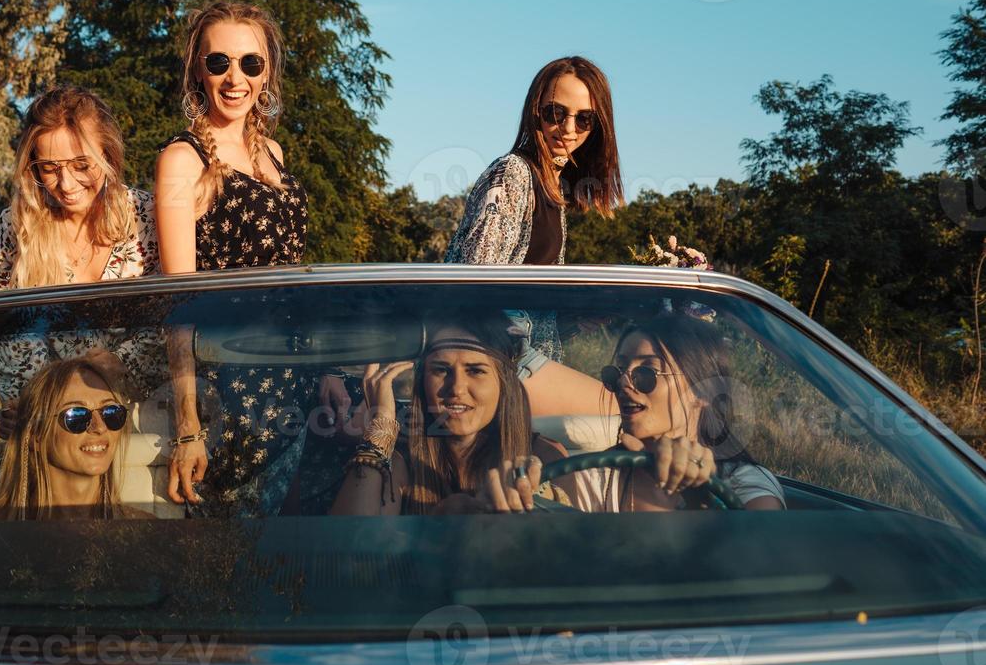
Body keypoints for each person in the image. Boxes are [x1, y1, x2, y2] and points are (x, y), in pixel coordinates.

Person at [153, 0, 312, 516]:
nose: (235, 77)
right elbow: (178, 303)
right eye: (218, 62)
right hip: (238, 389)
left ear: (267, 72)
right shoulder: (183, 160)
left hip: (300, 372)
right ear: (198, 70)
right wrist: (186, 426)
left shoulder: (274, 152)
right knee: (236, 553)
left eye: (250, 62)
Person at [330, 318, 716, 516]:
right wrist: (381, 425)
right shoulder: (399, 461)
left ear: (505, 384)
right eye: (440, 370)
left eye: (476, 371)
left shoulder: (544, 455)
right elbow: (348, 555)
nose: (455, 389)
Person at [444, 56, 624, 426]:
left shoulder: (552, 187)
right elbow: (473, 288)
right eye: (556, 113)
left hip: (522, 359)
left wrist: (575, 317)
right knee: (618, 416)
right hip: (493, 362)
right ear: (534, 110)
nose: (569, 129)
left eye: (584, 118)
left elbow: (526, 301)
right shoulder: (513, 173)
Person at [0, 86, 161, 425]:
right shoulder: (16, 226)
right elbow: (15, 331)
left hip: (142, 416)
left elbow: (169, 322)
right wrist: (29, 407)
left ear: (108, 156)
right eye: (49, 168)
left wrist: (112, 367)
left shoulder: (147, 216)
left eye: (82, 164)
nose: (66, 184)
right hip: (51, 420)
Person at [573, 309, 785, 512]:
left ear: (702, 391)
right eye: (617, 370)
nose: (623, 382)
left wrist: (701, 500)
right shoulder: (601, 474)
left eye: (648, 371)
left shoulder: (745, 484)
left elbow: (764, 546)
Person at [0, 351, 151, 520]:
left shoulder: (147, 533)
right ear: (35, 435)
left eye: (111, 413)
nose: (99, 427)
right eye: (76, 415)